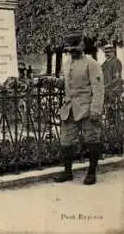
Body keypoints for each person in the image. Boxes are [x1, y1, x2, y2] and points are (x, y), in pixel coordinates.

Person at [43, 30, 105, 185]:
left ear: (82, 44)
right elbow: (66, 84)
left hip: (87, 108)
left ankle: (91, 172)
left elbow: (98, 89)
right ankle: (67, 172)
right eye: (69, 48)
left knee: (92, 140)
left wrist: (96, 110)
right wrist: (52, 81)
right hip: (69, 108)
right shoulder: (67, 63)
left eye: (75, 46)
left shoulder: (92, 64)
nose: (72, 50)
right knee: (66, 141)